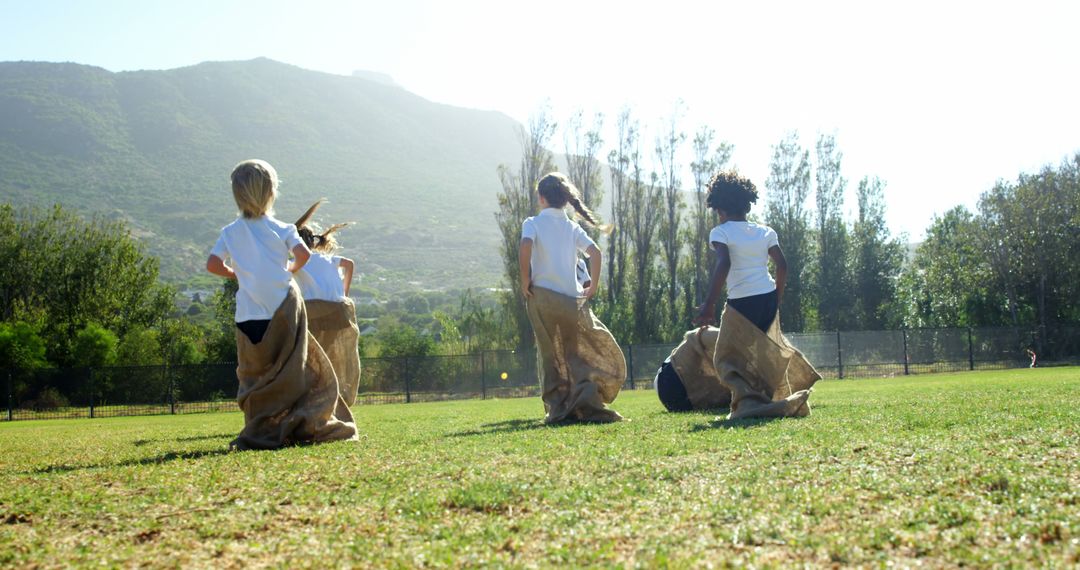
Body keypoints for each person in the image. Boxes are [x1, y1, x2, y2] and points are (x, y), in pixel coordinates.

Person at [206, 159, 357, 449]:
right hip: (283, 311)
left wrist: (235, 272)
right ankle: (300, 420)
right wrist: (287, 269)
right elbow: (304, 256)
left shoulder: (230, 231)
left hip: (249, 314)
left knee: (256, 371)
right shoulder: (282, 228)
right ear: (272, 192)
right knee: (290, 368)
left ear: (237, 195)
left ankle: (260, 424)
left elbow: (213, 264)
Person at [680, 171, 819, 419]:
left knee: (726, 358)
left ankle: (749, 404)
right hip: (767, 298)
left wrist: (710, 304)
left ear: (719, 207)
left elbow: (723, 264)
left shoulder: (720, 232)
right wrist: (776, 297)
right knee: (762, 355)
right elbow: (782, 265)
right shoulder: (765, 232)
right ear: (747, 204)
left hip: (742, 303)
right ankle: (775, 398)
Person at [519, 172, 626, 423]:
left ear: (541, 198)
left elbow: (525, 246)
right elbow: (595, 253)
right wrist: (593, 286)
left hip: (542, 297)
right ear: (565, 201)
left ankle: (557, 409)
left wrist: (525, 279)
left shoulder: (532, 223)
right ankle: (585, 404)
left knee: (549, 356)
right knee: (573, 356)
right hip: (570, 300)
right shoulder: (571, 227)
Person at [292, 199, 361, 407]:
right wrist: (344, 292)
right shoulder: (327, 259)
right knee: (333, 359)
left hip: (315, 314)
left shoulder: (298, 262)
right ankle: (337, 398)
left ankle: (314, 399)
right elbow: (349, 264)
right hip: (340, 312)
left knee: (311, 360)